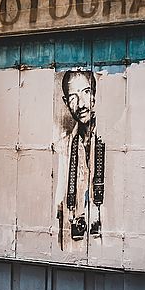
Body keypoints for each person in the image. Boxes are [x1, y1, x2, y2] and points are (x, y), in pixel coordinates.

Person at [55, 70, 105, 248]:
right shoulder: (63, 147)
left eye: (86, 92)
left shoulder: (112, 141)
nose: (82, 104)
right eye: (73, 97)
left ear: (95, 94)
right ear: (66, 102)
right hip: (73, 247)